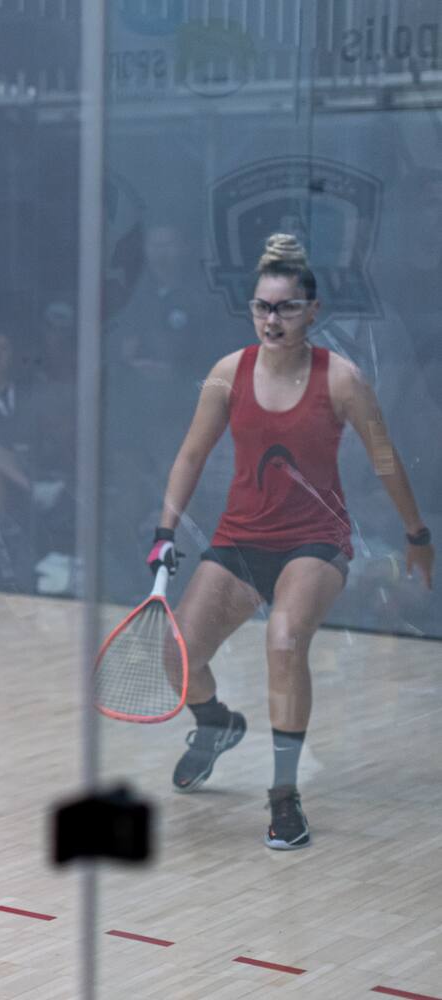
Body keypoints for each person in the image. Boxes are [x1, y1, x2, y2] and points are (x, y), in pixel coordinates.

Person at [150, 235, 433, 850]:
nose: (271, 319)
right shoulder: (229, 374)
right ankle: (216, 723)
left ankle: (284, 798)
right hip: (241, 541)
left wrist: (417, 533)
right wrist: (164, 531)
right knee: (177, 660)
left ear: (312, 311)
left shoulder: (344, 380)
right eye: (261, 307)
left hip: (317, 541)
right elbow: (192, 455)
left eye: (284, 308)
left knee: (284, 641)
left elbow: (384, 458)